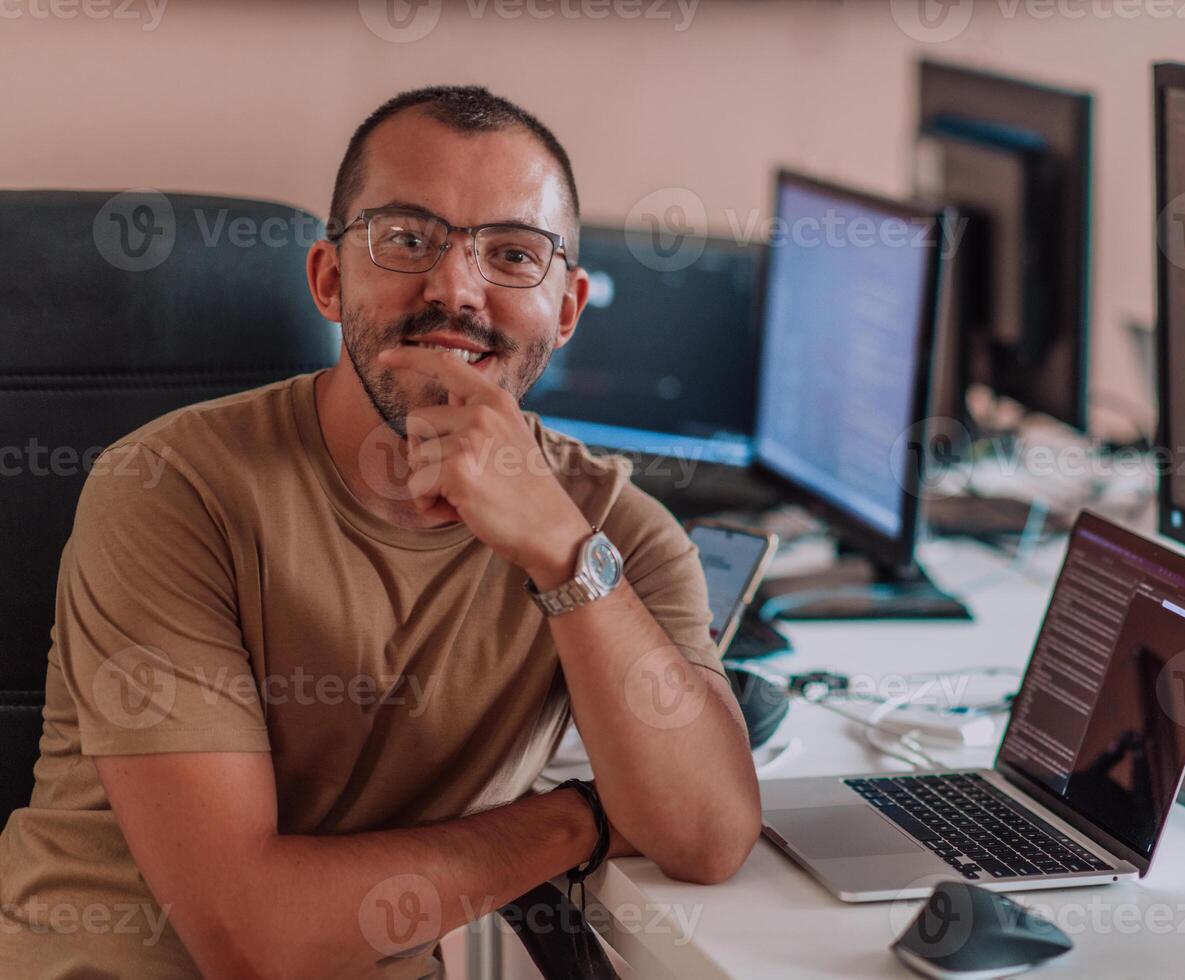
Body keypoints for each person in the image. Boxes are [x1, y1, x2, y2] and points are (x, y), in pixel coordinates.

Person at [0, 85, 761, 978]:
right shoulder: (170, 490)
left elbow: (707, 837)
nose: (454, 289)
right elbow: (250, 937)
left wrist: (561, 550)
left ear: (566, 308)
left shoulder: (615, 535)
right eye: (407, 240)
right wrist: (580, 820)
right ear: (329, 278)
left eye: (513, 253)